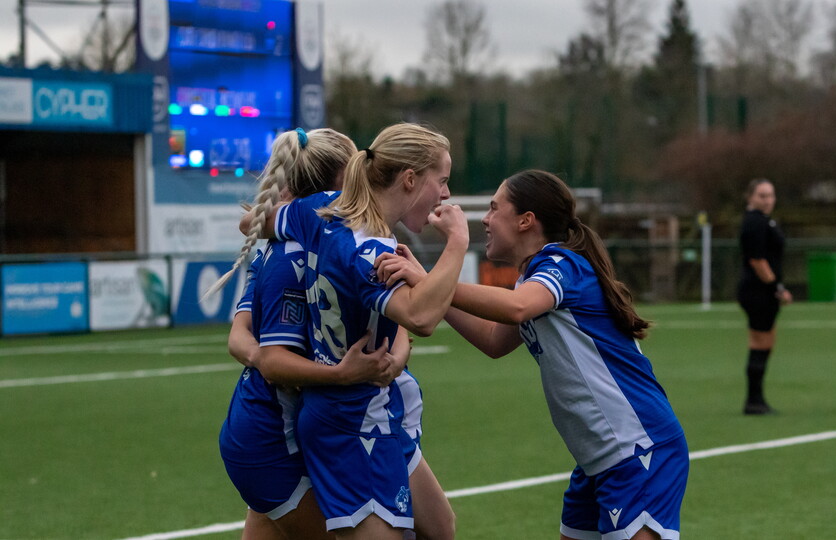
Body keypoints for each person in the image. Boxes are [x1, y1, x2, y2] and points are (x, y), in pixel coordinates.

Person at [378, 170, 688, 540]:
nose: (487, 220)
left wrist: (428, 281)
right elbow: (494, 341)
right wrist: (429, 286)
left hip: (640, 451)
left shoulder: (562, 263)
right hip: (597, 462)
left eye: (494, 209)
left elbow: (518, 308)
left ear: (526, 221)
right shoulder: (533, 277)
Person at [267, 122, 467, 539]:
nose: (445, 195)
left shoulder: (321, 207)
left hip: (375, 411)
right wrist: (457, 244)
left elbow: (260, 221)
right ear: (410, 179)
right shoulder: (367, 249)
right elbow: (423, 318)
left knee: (440, 527)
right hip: (349, 424)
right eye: (442, 181)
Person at [219, 127, 400, 540]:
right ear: (335, 189)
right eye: (356, 175)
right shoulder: (293, 256)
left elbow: (240, 339)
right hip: (272, 438)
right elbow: (268, 358)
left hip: (270, 427)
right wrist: (341, 374)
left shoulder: (305, 240)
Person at [736, 179, 792, 415]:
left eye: (770, 195)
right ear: (750, 197)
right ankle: (754, 401)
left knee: (765, 342)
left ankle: (756, 398)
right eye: (762, 195)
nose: (767, 200)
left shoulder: (764, 220)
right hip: (757, 291)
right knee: (760, 342)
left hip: (763, 291)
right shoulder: (754, 222)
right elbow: (758, 261)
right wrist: (777, 287)